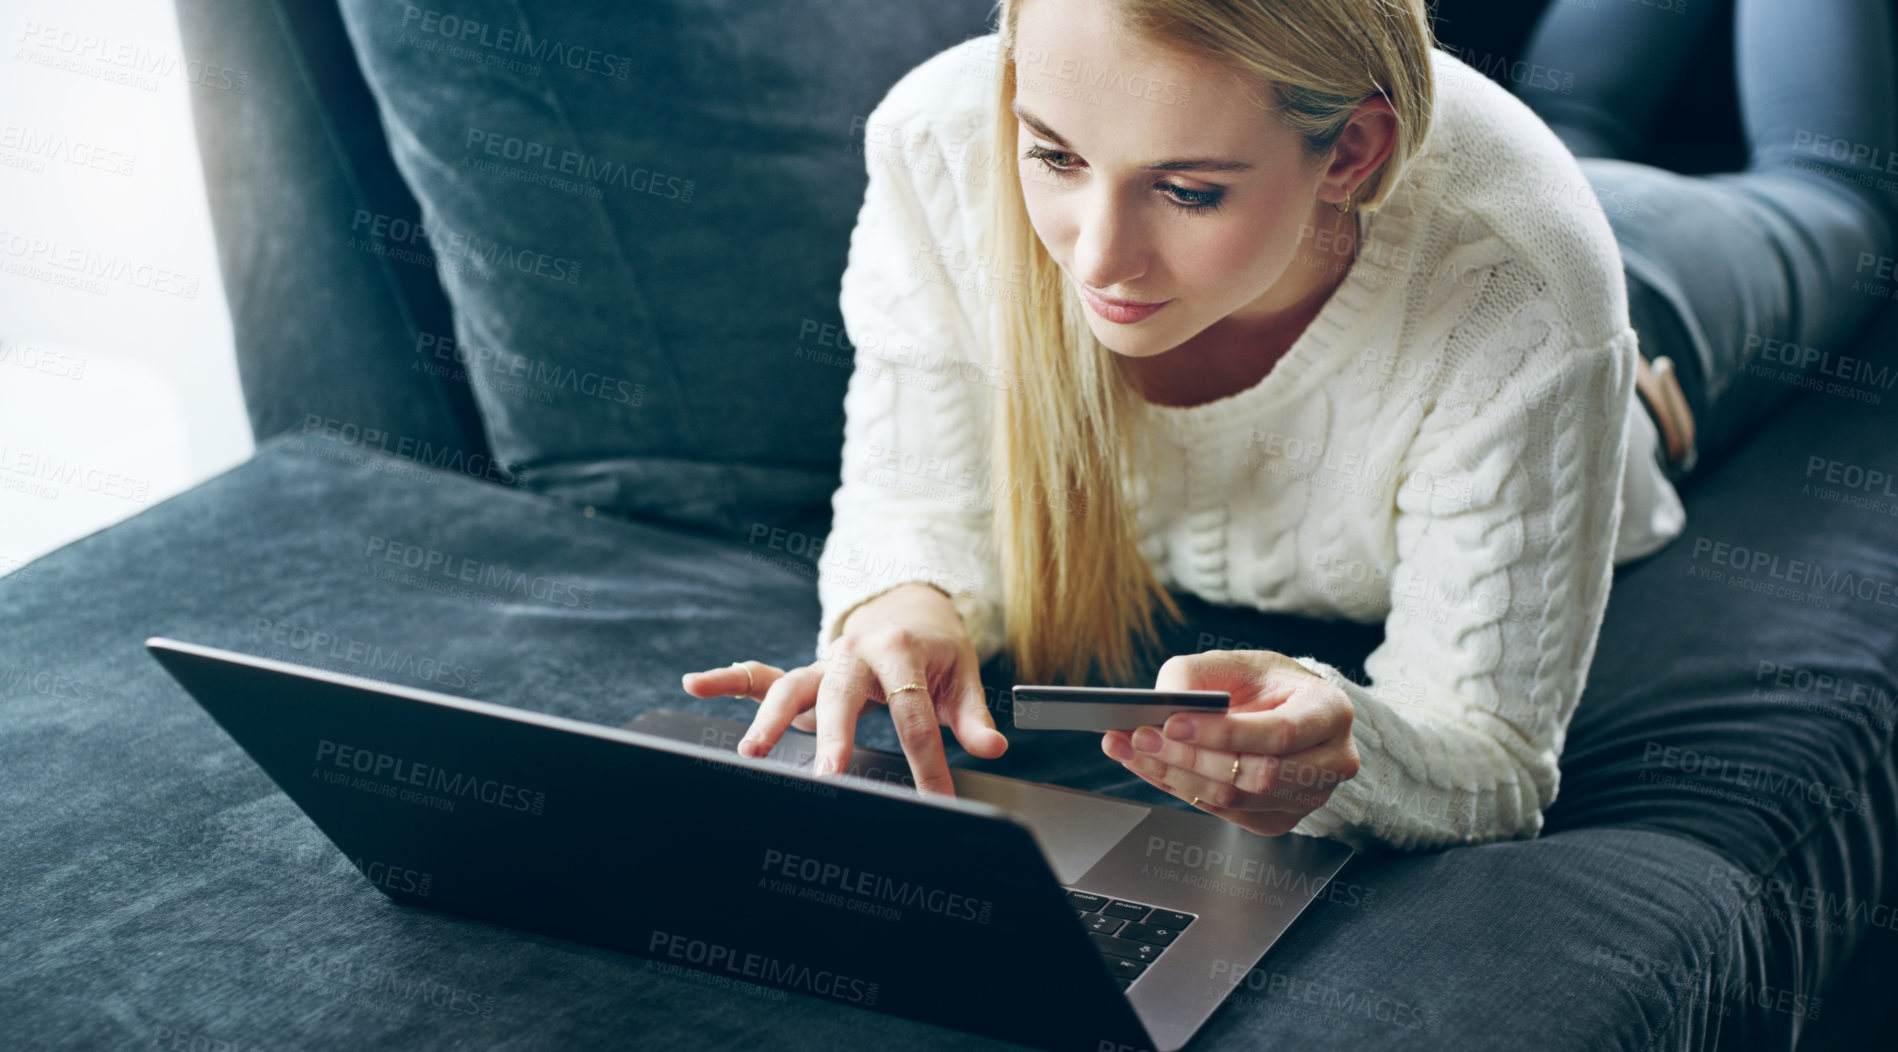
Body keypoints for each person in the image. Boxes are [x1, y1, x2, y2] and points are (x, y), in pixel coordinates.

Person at [681, 0, 1897, 849]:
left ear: (1353, 153)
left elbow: (1493, 750)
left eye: (1186, 188)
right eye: (1053, 156)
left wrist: (1352, 752)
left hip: (1647, 315)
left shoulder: (1522, 287)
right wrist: (903, 601)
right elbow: (915, 501)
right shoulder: (943, 139)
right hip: (1480, 192)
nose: (1093, 258)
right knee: (1591, 129)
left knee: (1830, 191)